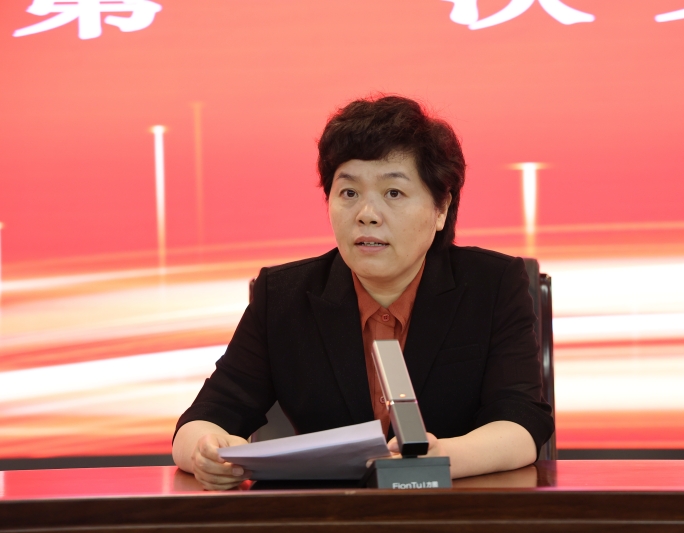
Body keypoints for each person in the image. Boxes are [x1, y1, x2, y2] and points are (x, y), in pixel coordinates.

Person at [172, 95, 554, 490]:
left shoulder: (492, 285)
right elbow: (202, 420)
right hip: (329, 515)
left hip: (455, 510)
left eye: (393, 193)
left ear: (441, 208)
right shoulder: (283, 297)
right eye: (349, 193)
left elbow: (521, 423)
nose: (367, 214)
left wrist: (440, 459)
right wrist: (207, 451)